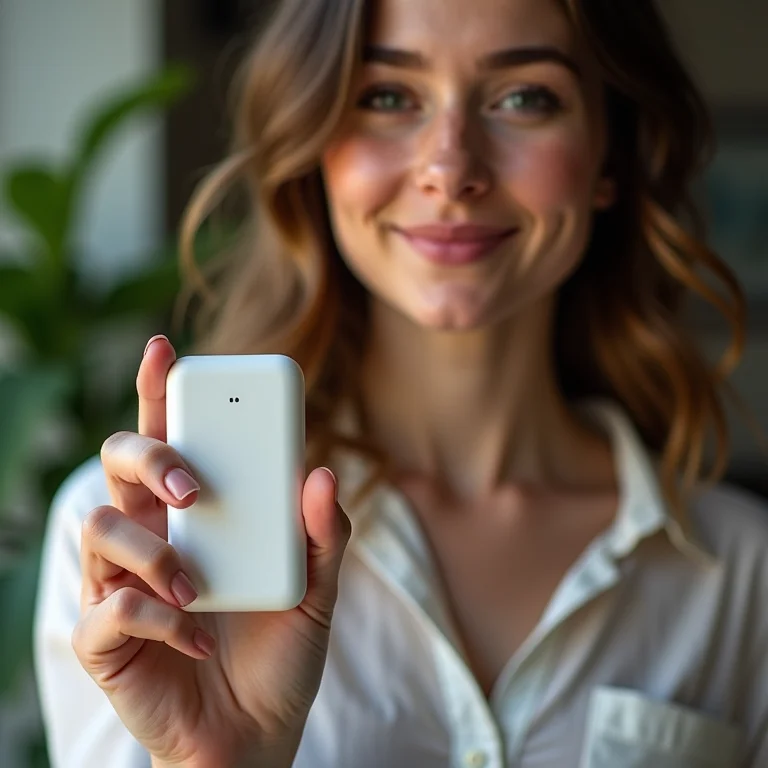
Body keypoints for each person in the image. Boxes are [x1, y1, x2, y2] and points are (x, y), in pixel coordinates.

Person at [33, 0, 768, 765]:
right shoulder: (132, 550)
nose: (450, 169)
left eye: (525, 97)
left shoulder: (742, 576)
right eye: (387, 97)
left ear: (610, 155)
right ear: (314, 144)